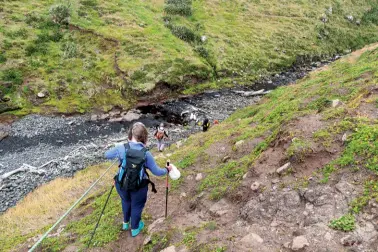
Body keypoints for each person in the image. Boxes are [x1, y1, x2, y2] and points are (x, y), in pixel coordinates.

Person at [105, 122, 172, 237]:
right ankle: (135, 229)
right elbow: (157, 172)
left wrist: (120, 149)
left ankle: (126, 223)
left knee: (125, 201)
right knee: (136, 206)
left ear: (130, 135)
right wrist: (167, 169)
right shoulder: (146, 154)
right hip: (139, 186)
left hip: (121, 184)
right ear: (145, 137)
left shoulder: (122, 148)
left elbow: (107, 154)